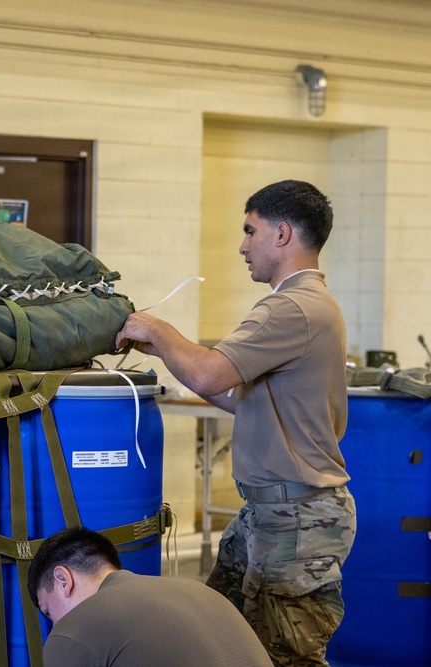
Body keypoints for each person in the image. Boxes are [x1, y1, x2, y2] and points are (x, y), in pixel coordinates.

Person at [115, 180, 355, 667]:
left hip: (295, 518)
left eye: (250, 231)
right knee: (219, 632)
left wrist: (158, 328)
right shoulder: (309, 303)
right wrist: (165, 352)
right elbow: (235, 395)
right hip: (267, 512)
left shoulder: (291, 306)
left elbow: (209, 372)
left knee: (285, 657)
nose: (242, 247)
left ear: (282, 234)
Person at [28, 526, 273, 666]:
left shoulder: (73, 631)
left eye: (48, 611)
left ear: (63, 580)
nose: (55, 625)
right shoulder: (200, 591)